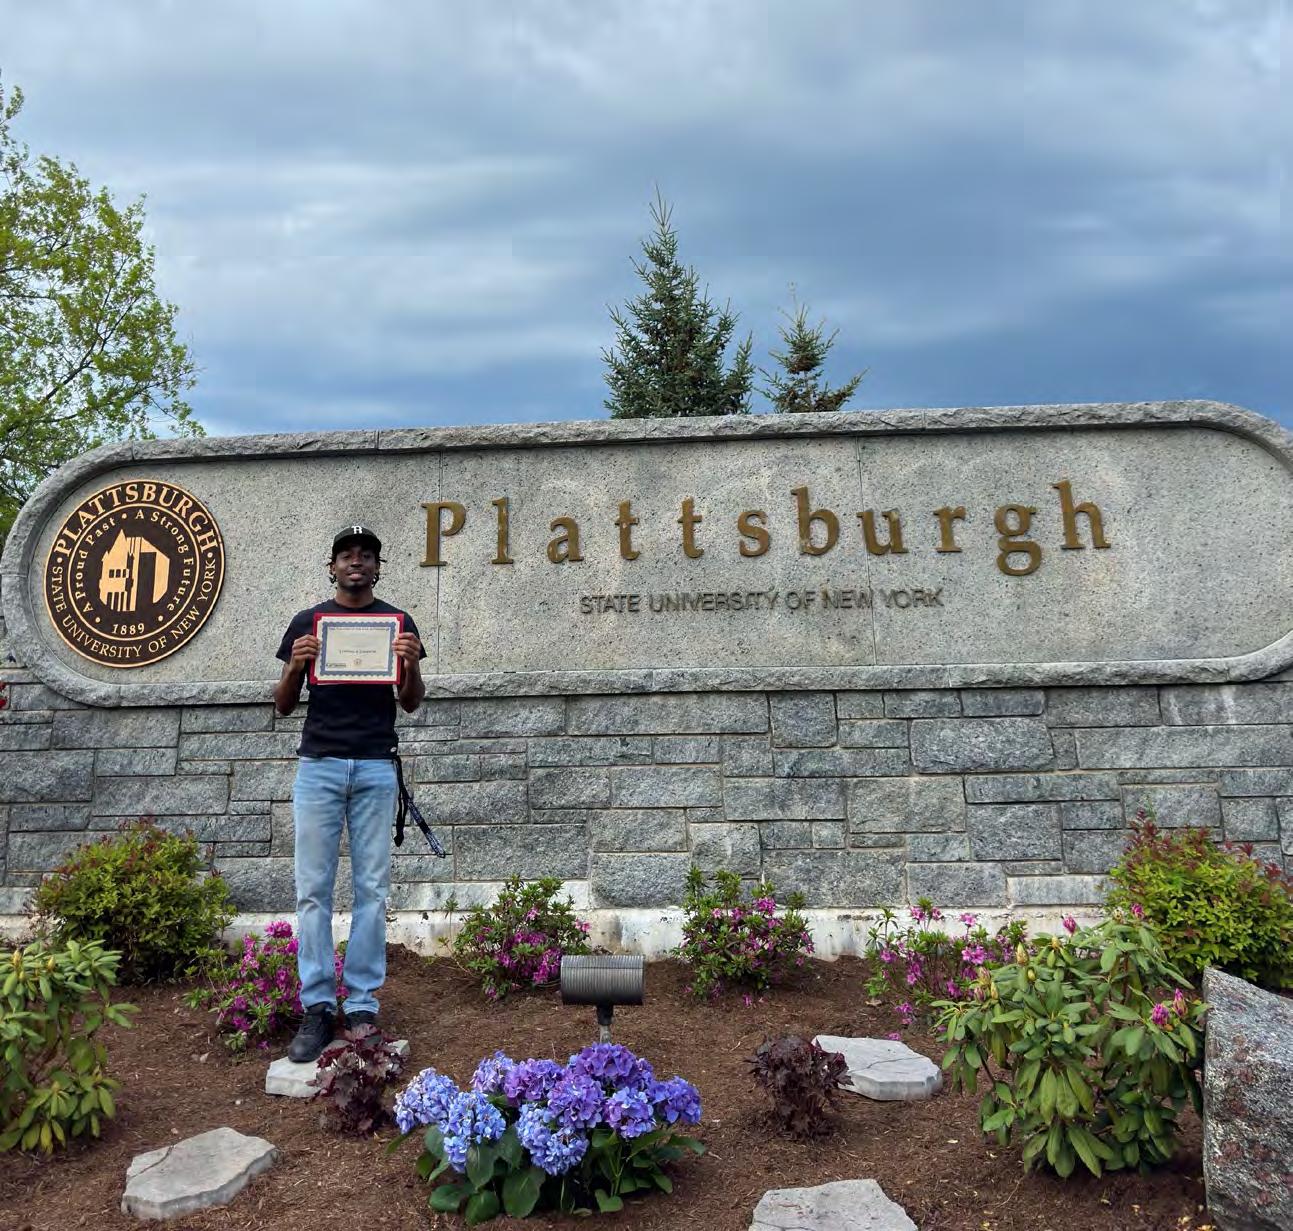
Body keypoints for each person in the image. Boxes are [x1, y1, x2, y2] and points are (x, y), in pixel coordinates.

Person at [273, 523, 426, 1061]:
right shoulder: (308, 623)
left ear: (378, 568)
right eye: (346, 555)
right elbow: (283, 704)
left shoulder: (398, 623)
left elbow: (411, 701)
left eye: (366, 555)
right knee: (312, 889)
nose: (356, 562)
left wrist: (409, 662)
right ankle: (317, 1006)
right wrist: (296, 664)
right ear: (332, 566)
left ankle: (361, 1006)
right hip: (319, 765)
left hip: (376, 766)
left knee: (372, 890)